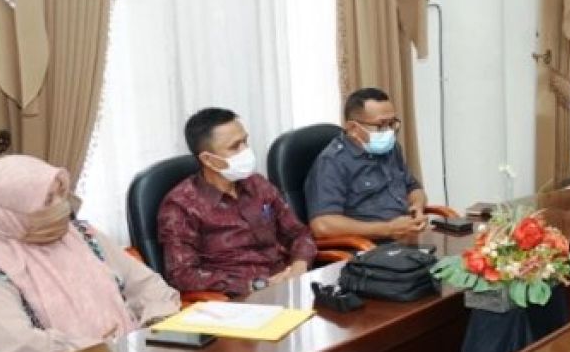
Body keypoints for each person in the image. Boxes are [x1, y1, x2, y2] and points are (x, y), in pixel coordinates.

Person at [0, 155, 180, 352]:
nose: (61, 205)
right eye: (47, 200)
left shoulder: (83, 233)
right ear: (13, 213)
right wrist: (104, 349)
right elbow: (13, 341)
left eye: (60, 193)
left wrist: (152, 328)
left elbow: (146, 285)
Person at [158, 107, 317, 296]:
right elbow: (182, 274)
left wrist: (299, 266)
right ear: (209, 160)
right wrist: (256, 285)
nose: (246, 151)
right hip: (236, 302)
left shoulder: (257, 184)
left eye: (245, 141)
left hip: (287, 285)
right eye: (235, 147)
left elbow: (299, 233)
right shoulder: (181, 205)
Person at [305, 88, 429, 240]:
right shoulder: (332, 162)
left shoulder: (391, 148)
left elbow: (413, 188)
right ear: (353, 128)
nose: (389, 131)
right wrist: (387, 229)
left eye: (392, 123)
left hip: (405, 237)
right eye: (381, 125)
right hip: (368, 248)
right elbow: (323, 225)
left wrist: (417, 207)